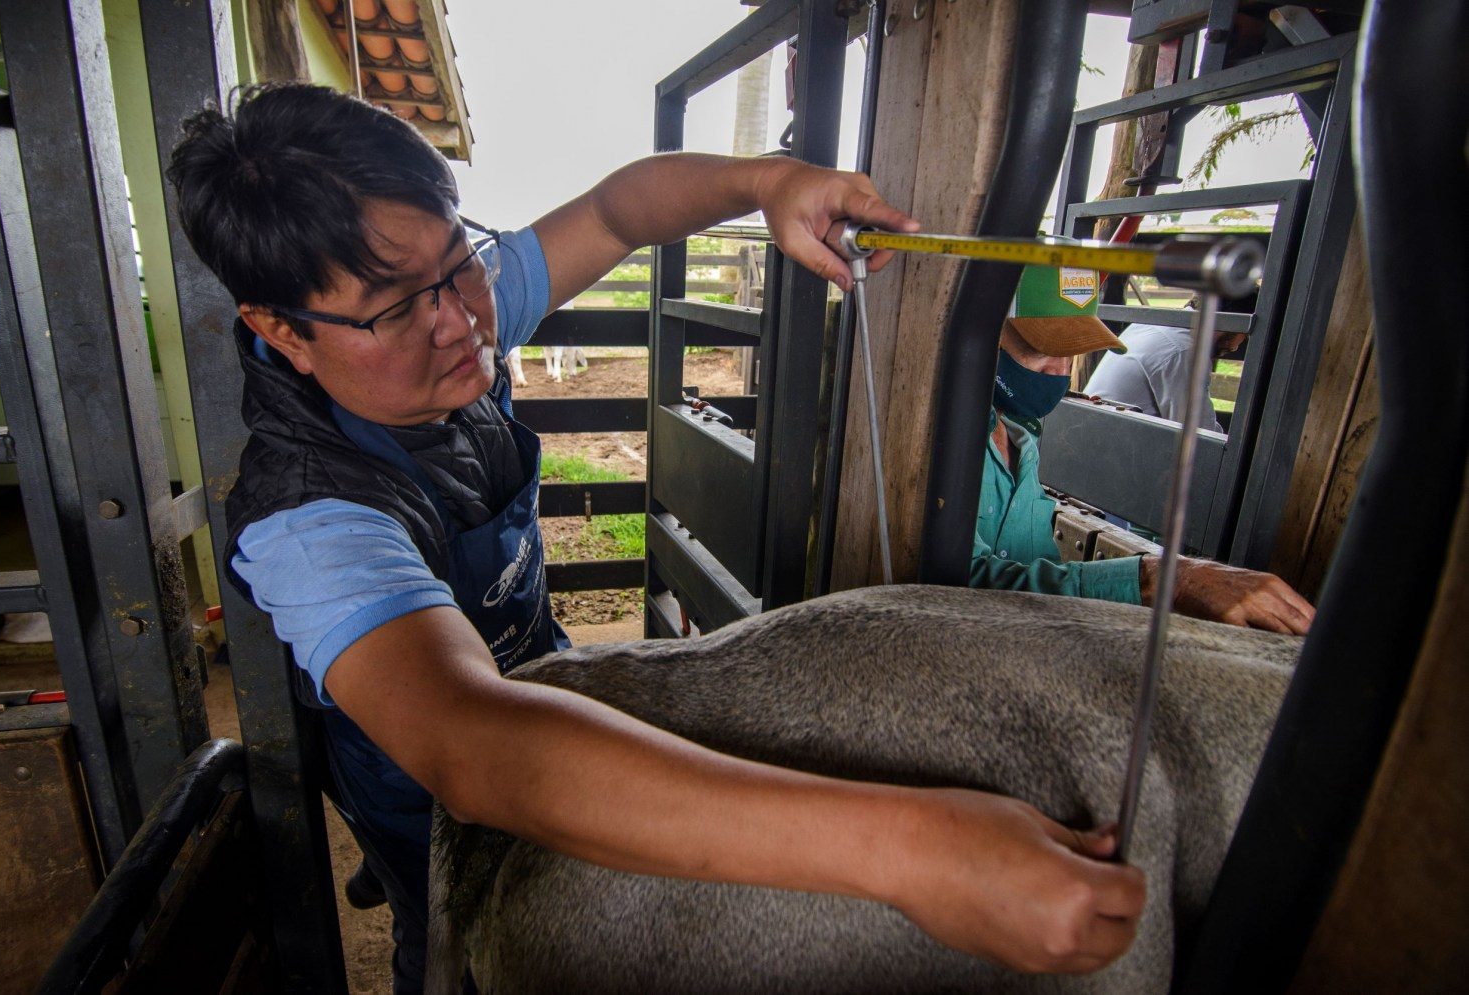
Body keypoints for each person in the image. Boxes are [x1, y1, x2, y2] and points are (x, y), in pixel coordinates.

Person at [168, 84, 1145, 992]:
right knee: (456, 939)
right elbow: (473, 740)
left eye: (459, 260)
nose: (465, 318)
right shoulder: (309, 517)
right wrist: (913, 849)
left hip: (544, 683)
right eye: (396, 307)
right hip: (426, 785)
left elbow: (616, 212)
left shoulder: (446, 303)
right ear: (283, 330)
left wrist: (771, 181)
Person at [972, 267, 1314, 635]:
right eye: (1042, 351)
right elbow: (961, 588)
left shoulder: (1024, 434)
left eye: (1071, 356)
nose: (1059, 373)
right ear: (982, 335)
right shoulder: (943, 440)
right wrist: (1160, 579)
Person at [1082, 309, 1250, 433]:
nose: (1236, 347)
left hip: (1099, 429)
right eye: (1245, 335)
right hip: (1116, 444)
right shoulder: (1184, 351)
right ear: (1236, 322)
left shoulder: (1153, 323)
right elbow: (1202, 436)